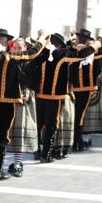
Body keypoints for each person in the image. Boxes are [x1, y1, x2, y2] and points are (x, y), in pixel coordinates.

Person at [0, 28, 45, 180]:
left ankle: (1, 166)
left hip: (3, 101)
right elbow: (33, 53)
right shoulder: (9, 57)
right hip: (8, 101)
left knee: (1, 134)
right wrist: (42, 39)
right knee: (1, 135)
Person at [34, 33, 95, 162]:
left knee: (39, 124)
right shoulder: (62, 54)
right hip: (55, 97)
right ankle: (46, 154)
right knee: (50, 126)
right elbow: (81, 54)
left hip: (39, 96)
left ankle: (38, 151)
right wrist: (95, 46)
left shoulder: (41, 54)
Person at [69, 29, 102, 151]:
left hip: (73, 88)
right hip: (87, 89)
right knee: (80, 116)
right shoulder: (91, 52)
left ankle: (78, 140)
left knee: (77, 116)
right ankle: (77, 141)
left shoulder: (71, 51)